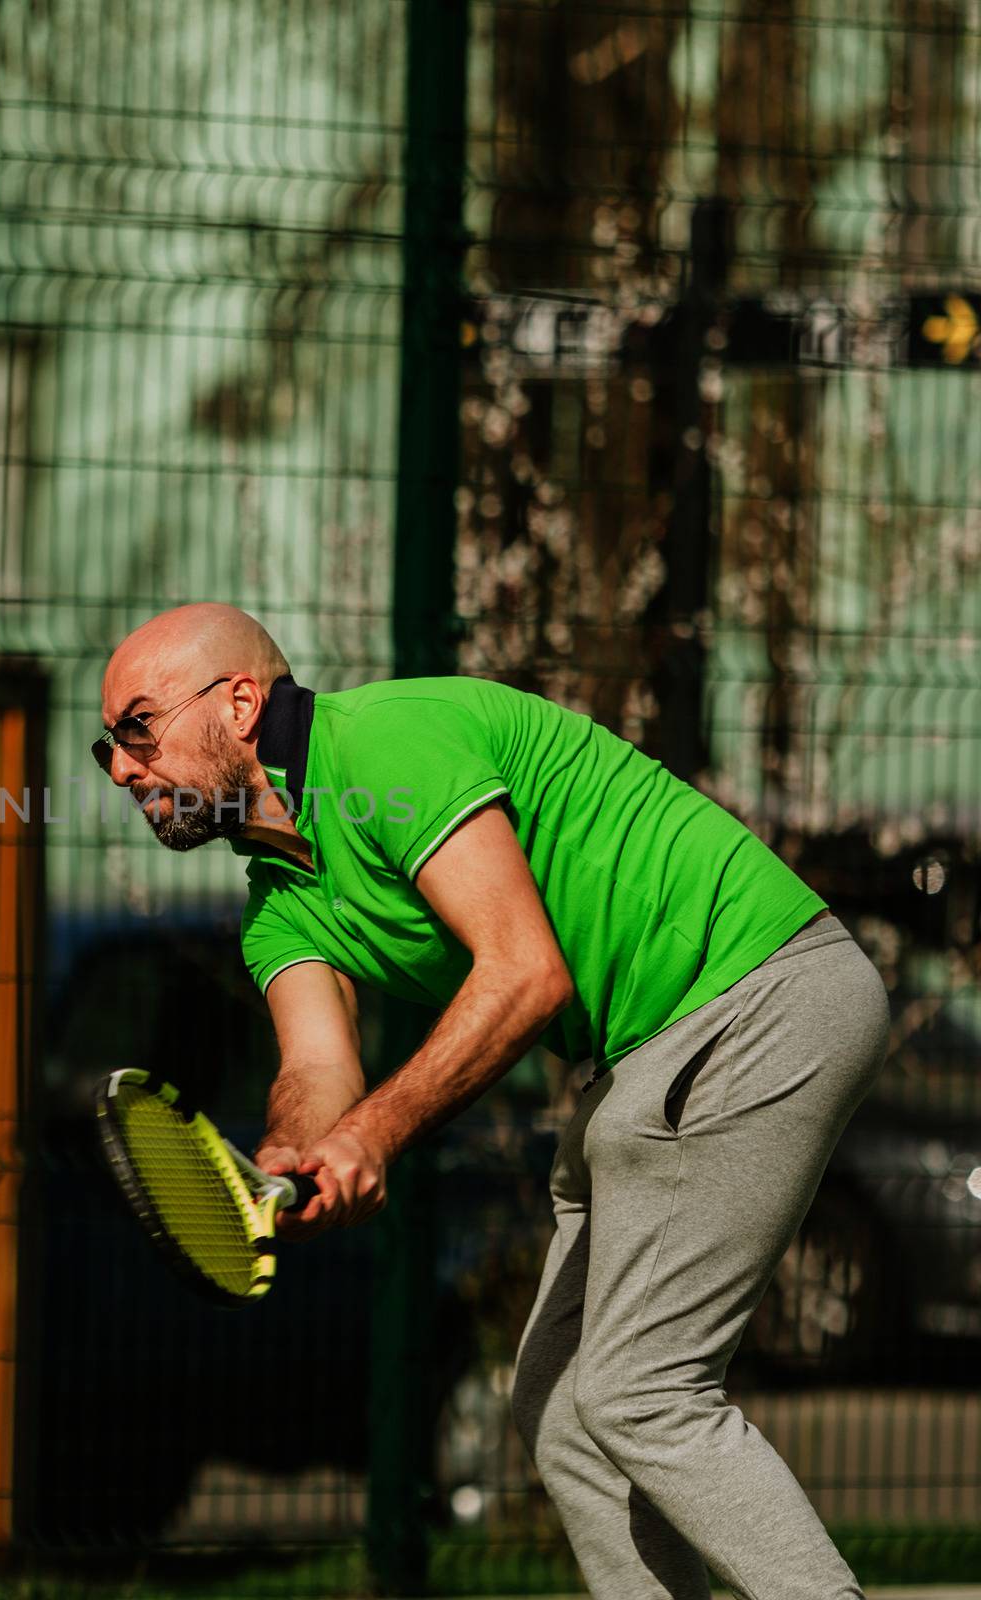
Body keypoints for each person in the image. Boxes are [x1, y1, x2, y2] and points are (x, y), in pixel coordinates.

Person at [94, 601, 890, 1600]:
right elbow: (315, 1064)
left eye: (137, 727)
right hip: (654, 1055)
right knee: (563, 1412)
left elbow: (525, 974)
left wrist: (372, 1134)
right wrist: (299, 1152)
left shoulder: (385, 746)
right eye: (105, 748)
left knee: (639, 1392)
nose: (122, 768)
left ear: (241, 703)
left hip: (752, 993)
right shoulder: (276, 902)